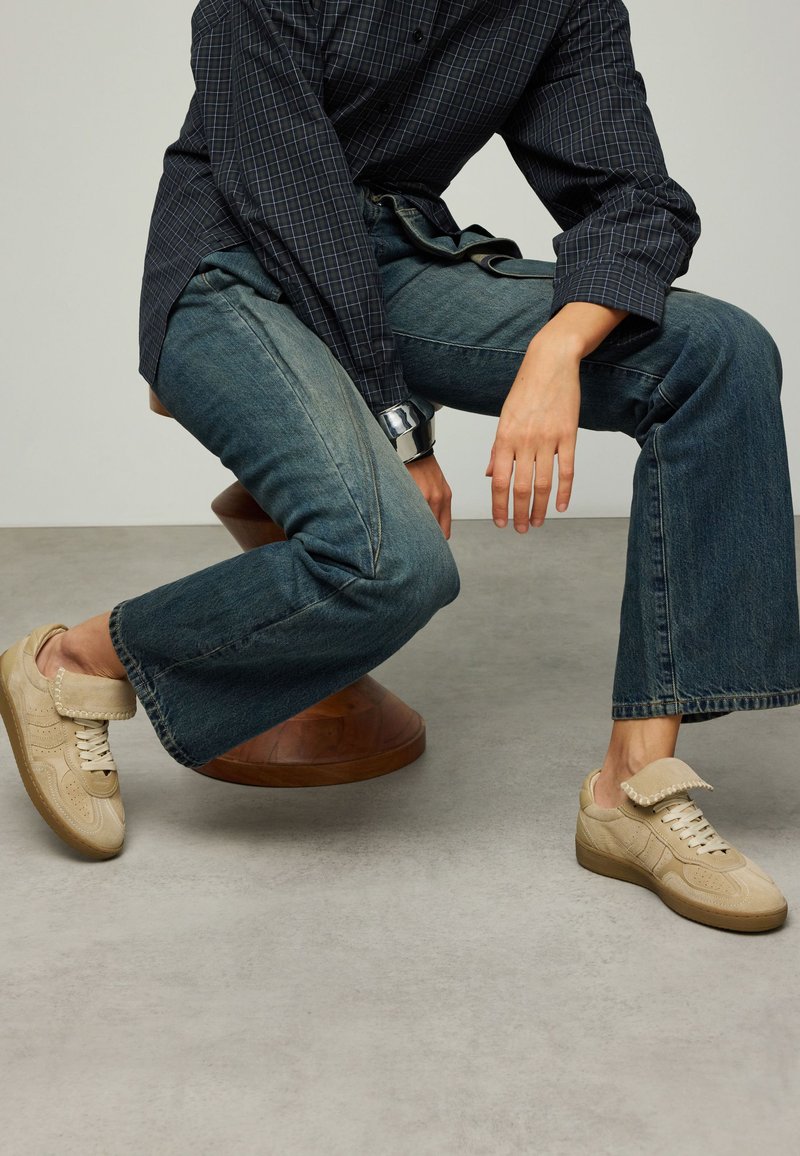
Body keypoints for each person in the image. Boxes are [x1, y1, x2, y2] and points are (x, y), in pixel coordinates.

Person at [1, 2, 798, 931]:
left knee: (718, 352)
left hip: (397, 261)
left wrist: (559, 351)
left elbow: (636, 198)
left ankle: (632, 788)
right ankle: (73, 665)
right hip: (229, 260)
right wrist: (401, 426)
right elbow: (287, 198)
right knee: (394, 564)